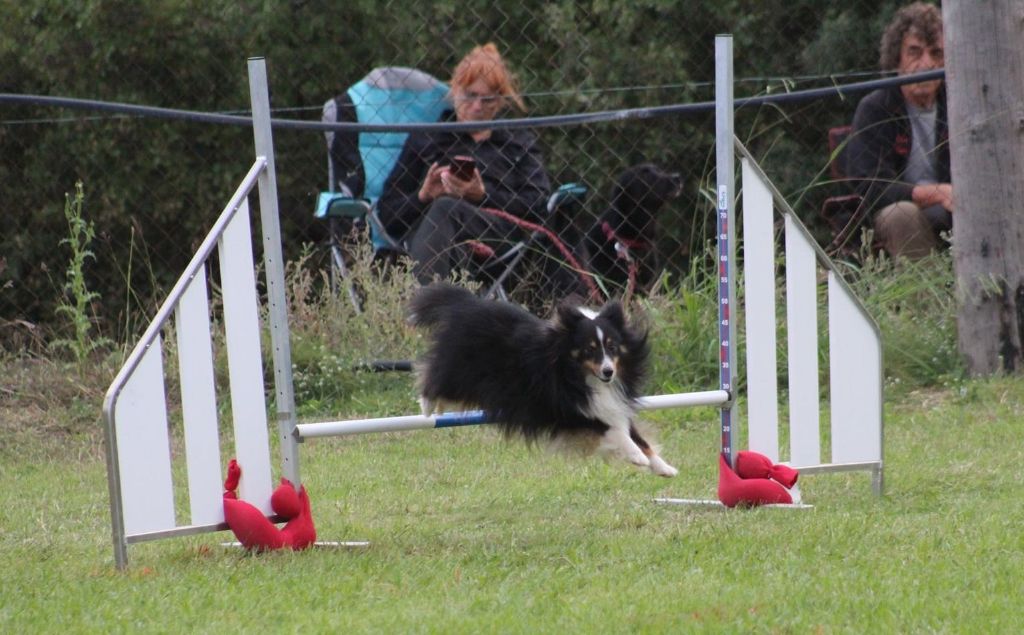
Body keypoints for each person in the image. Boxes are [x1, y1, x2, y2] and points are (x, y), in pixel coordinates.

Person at [377, 43, 551, 283]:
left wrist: (483, 195)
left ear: (500, 102)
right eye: (470, 95)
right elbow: (387, 215)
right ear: (455, 91)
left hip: (498, 241)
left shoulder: (518, 142)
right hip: (435, 241)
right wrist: (423, 196)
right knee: (443, 211)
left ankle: (426, 307)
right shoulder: (426, 139)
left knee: (447, 208)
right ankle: (440, 307)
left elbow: (539, 206)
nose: (478, 107)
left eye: (488, 99)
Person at [846, 2, 952, 259]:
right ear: (897, 59)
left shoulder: (959, 103)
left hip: (955, 206)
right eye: (915, 52)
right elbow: (871, 186)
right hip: (898, 212)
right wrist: (933, 193)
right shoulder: (876, 107)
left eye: (936, 53)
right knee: (902, 214)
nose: (927, 64)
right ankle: (923, 300)